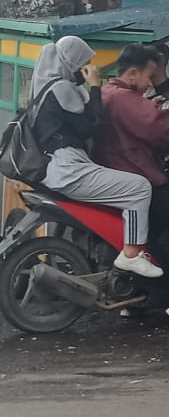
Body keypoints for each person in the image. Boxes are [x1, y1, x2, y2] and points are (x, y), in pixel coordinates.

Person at [92, 44, 169, 331]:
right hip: (141, 177)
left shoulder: (111, 94)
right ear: (133, 73)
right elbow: (157, 128)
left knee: (155, 238)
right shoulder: (123, 98)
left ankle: (144, 297)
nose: (149, 83)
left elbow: (144, 122)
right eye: (149, 76)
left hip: (121, 175)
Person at [30, 37, 162, 279]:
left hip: (59, 167)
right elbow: (92, 125)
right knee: (139, 188)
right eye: (86, 62)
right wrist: (94, 85)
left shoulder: (45, 88)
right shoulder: (62, 88)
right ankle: (131, 254)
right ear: (73, 62)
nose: (90, 67)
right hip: (69, 168)